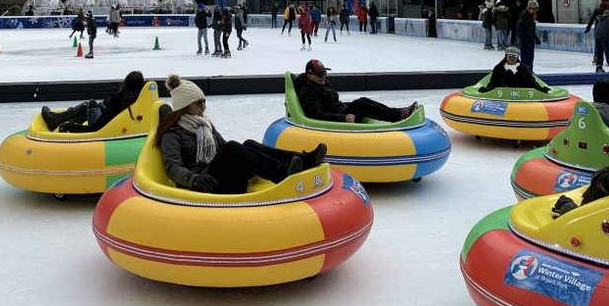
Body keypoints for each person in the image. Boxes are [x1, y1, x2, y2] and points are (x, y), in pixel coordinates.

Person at [159, 75, 326, 194]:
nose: (203, 106)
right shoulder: (173, 134)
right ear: (185, 107)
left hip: (218, 175)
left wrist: (246, 155)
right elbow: (172, 167)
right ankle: (282, 173)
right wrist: (193, 179)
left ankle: (302, 160)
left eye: (204, 101)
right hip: (203, 184)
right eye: (198, 103)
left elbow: (223, 149)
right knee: (233, 147)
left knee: (248, 144)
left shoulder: (204, 124)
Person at [295, 59, 417, 123]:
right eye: (320, 74)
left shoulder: (321, 83)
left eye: (324, 73)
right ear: (310, 75)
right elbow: (316, 115)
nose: (323, 77)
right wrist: (343, 118)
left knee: (362, 101)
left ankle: (397, 113)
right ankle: (398, 115)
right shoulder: (308, 92)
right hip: (338, 116)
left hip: (339, 109)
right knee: (361, 104)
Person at [42, 71, 145, 133]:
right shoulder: (138, 100)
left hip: (104, 127)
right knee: (95, 107)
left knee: (90, 104)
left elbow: (96, 128)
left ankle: (57, 119)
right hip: (111, 120)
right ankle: (60, 118)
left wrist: (72, 127)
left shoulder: (119, 102)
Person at [479, 47, 550, 93]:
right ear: (506, 56)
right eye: (510, 56)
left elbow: (531, 82)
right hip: (502, 94)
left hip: (522, 94)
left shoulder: (523, 68)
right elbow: (493, 82)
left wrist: (541, 89)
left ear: (517, 57)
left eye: (514, 56)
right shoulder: (499, 68)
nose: (512, 58)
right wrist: (486, 90)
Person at [584, 0, 609, 71]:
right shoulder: (608, 12)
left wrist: (588, 28)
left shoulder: (597, 11)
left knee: (598, 45)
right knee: (607, 45)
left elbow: (591, 19)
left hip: (598, 30)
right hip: (607, 31)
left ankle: (596, 58)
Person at [516, 0, 541, 72]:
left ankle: (530, 70)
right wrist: (522, 37)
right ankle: (525, 71)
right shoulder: (523, 15)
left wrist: (535, 37)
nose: (534, 11)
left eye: (535, 10)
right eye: (533, 9)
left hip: (530, 39)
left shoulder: (531, 15)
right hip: (524, 39)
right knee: (525, 57)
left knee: (530, 57)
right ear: (529, 8)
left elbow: (531, 28)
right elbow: (519, 27)